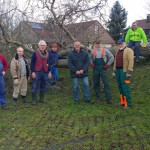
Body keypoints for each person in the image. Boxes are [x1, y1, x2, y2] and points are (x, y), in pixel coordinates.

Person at [113, 39, 134, 108]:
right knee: (120, 87)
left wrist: (129, 71)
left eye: (121, 43)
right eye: (119, 44)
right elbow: (115, 61)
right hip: (118, 71)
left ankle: (128, 103)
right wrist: (114, 70)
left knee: (125, 87)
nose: (120, 45)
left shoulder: (129, 50)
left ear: (124, 43)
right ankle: (123, 102)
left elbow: (131, 60)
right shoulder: (118, 51)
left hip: (124, 71)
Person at [30, 40, 52, 105]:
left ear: (45, 46)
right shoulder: (35, 53)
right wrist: (33, 72)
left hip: (45, 72)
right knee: (35, 86)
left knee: (44, 86)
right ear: (39, 46)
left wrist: (49, 72)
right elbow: (32, 63)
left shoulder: (47, 54)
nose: (42, 46)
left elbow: (49, 63)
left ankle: (41, 99)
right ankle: (33, 100)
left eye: (44, 45)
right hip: (37, 72)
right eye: (41, 45)